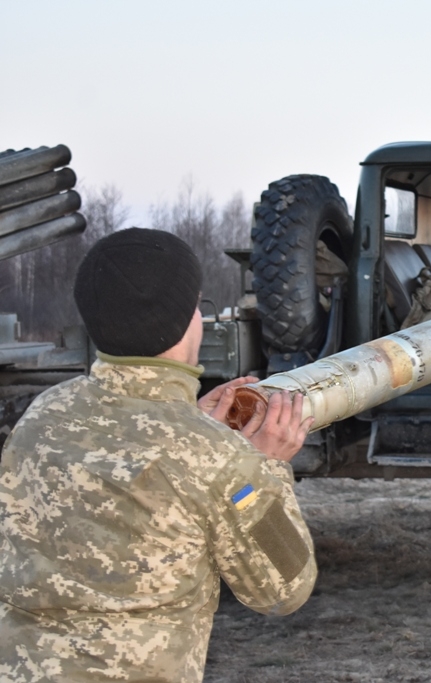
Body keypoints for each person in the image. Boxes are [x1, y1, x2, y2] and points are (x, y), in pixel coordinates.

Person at [0, 228, 317, 683]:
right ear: (187, 320)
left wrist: (192, 421)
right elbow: (284, 588)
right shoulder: (215, 459)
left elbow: (132, 448)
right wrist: (265, 468)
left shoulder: (45, 413)